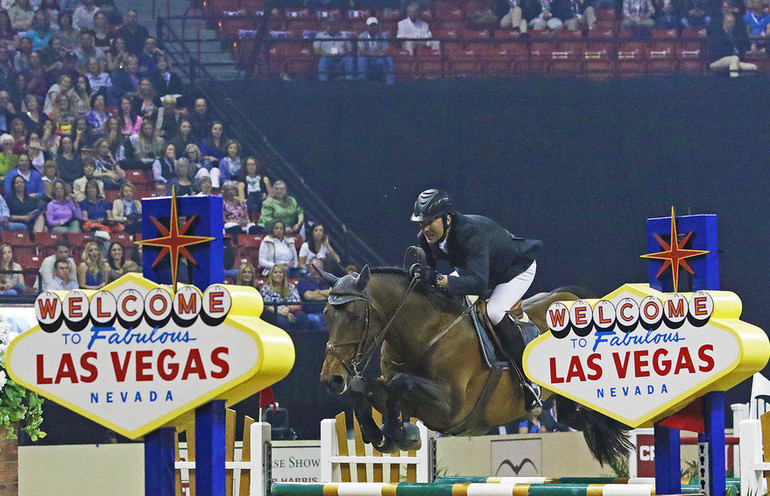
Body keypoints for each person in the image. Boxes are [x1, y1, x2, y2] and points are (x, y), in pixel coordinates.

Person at [409, 189, 542, 409]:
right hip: (477, 270)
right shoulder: (425, 238)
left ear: (447, 218)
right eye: (421, 223)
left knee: (494, 312)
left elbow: (478, 285)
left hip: (515, 269)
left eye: (430, 222)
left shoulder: (472, 233)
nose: (426, 229)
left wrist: (439, 280)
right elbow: (430, 279)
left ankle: (529, 380)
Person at [259, 264, 310, 331]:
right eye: (275, 272)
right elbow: (267, 306)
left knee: (302, 317)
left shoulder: (291, 287)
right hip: (275, 313)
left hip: (291, 311)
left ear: (284, 275)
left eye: (280, 272)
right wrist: (281, 312)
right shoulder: (265, 289)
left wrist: (288, 309)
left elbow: (298, 304)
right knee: (282, 320)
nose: (278, 274)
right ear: (271, 275)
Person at [313, 17, 354, 81]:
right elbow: (316, 51)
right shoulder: (320, 35)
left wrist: (343, 54)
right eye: (329, 25)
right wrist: (327, 54)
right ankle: (322, 82)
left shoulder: (344, 35)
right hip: (328, 59)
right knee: (323, 59)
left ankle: (349, 79)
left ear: (337, 26)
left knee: (349, 59)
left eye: (333, 24)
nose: (331, 27)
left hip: (341, 59)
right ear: (326, 26)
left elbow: (350, 49)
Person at [295, 257, 330, 332]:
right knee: (316, 319)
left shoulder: (327, 281)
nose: (317, 271)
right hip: (311, 313)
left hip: (327, 313)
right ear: (309, 269)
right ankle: (322, 341)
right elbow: (309, 296)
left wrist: (318, 292)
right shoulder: (303, 282)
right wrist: (325, 295)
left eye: (319, 268)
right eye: (314, 268)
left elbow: (332, 293)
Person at [357, 17, 395, 85]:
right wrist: (375, 53)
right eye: (371, 25)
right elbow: (361, 51)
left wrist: (370, 53)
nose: (373, 27)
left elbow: (385, 51)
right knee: (361, 59)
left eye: (374, 25)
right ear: (367, 26)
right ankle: (361, 83)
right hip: (367, 60)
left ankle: (390, 84)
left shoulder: (383, 36)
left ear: (377, 26)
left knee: (388, 59)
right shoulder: (361, 36)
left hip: (378, 60)